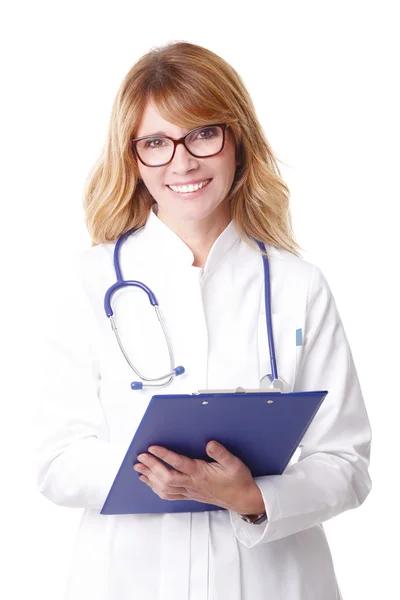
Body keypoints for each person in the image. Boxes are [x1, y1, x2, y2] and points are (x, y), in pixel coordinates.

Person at [33, 41, 372, 600]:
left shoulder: (297, 285)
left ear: (237, 141)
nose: (182, 162)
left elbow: (347, 462)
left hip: (275, 582)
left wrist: (251, 497)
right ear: (133, 157)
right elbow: (56, 459)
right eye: (156, 143)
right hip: (130, 580)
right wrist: (165, 477)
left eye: (203, 134)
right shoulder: (89, 283)